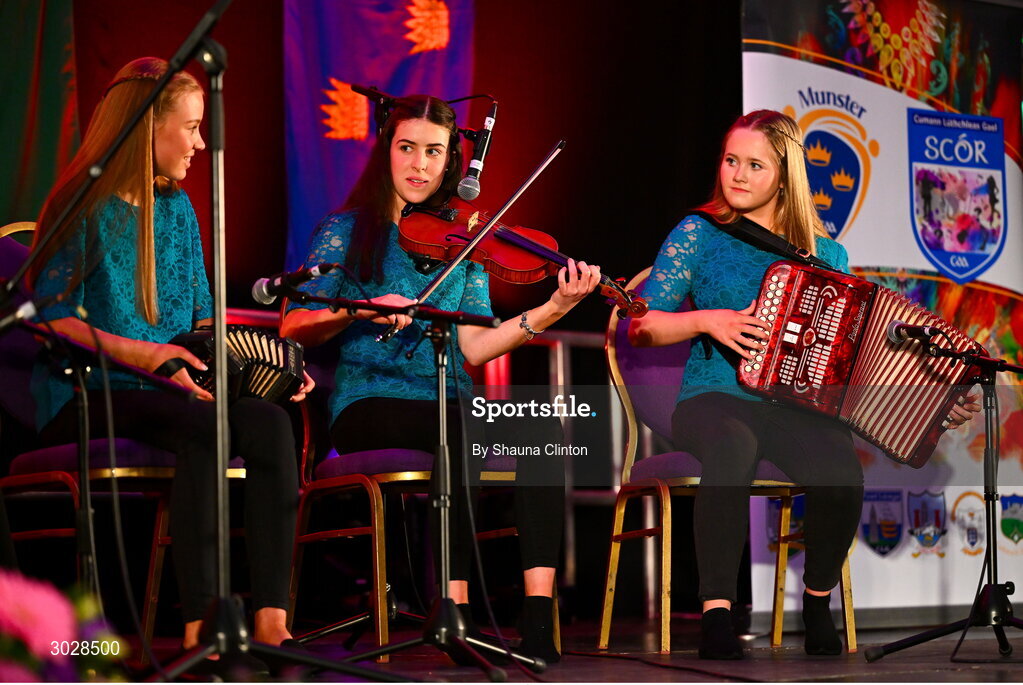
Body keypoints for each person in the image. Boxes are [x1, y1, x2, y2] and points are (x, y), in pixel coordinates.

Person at [628, 110, 980, 659]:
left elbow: (859, 356)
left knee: (841, 472)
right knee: (733, 444)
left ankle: (816, 600)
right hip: (713, 395)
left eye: (754, 165)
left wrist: (935, 398)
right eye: (730, 161)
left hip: (793, 404)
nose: (736, 176)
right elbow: (643, 324)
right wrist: (707, 320)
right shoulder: (698, 233)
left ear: (786, 175)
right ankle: (717, 612)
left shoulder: (827, 254)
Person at [281, 94, 601, 663]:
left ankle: (537, 616)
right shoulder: (347, 230)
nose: (420, 165)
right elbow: (295, 324)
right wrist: (361, 308)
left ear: (451, 160)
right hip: (369, 400)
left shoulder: (469, 238)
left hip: (450, 399)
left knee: (541, 432)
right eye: (407, 148)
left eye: (434, 152)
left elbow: (475, 344)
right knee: (457, 430)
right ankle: (453, 610)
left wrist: (553, 308)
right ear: (387, 152)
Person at [27, 57, 311, 657]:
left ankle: (269, 620)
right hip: (89, 389)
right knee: (207, 427)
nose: (200, 143)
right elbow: (52, 317)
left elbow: (204, 324)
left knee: (271, 423)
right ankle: (201, 624)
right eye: (191, 127)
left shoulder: (179, 210)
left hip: (171, 388)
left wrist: (269, 365)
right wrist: (146, 354)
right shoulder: (85, 202)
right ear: (147, 128)